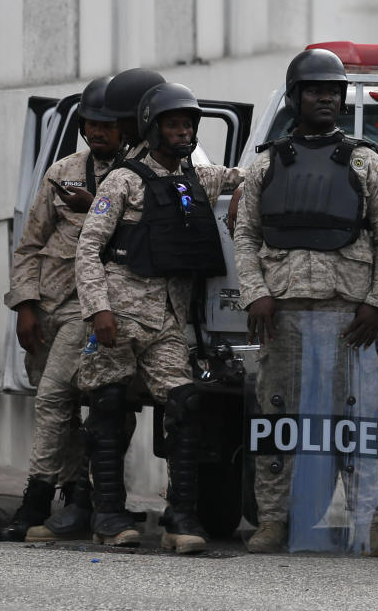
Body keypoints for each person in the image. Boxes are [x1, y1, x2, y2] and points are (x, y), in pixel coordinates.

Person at [232, 48, 378, 556]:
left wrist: (377, 303)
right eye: (314, 89)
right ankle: (272, 522)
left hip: (348, 316)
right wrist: (256, 294)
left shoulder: (366, 162)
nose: (325, 97)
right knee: (277, 420)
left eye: (333, 89)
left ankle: (366, 522)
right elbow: (245, 235)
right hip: (280, 313)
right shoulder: (266, 164)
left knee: (355, 423)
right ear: (295, 97)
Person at [75, 82, 244, 553]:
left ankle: (181, 517)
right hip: (120, 313)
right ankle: (109, 515)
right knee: (108, 407)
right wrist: (99, 310)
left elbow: (241, 177)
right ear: (153, 128)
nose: (183, 132)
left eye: (189, 124)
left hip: (167, 322)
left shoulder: (197, 178)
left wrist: (258, 183)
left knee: (187, 405)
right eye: (174, 124)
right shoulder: (123, 181)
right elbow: (89, 248)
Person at [0, 77, 123, 542]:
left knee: (53, 397)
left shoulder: (140, 175)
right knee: (61, 406)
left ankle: (34, 500)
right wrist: (25, 306)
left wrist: (98, 208)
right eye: (90, 122)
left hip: (92, 310)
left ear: (129, 126)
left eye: (107, 124)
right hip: (48, 307)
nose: (96, 131)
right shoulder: (62, 171)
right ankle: (76, 498)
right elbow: (29, 244)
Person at [101, 67, 166, 161]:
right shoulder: (136, 149)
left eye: (126, 120)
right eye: (118, 119)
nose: (119, 126)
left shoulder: (163, 158)